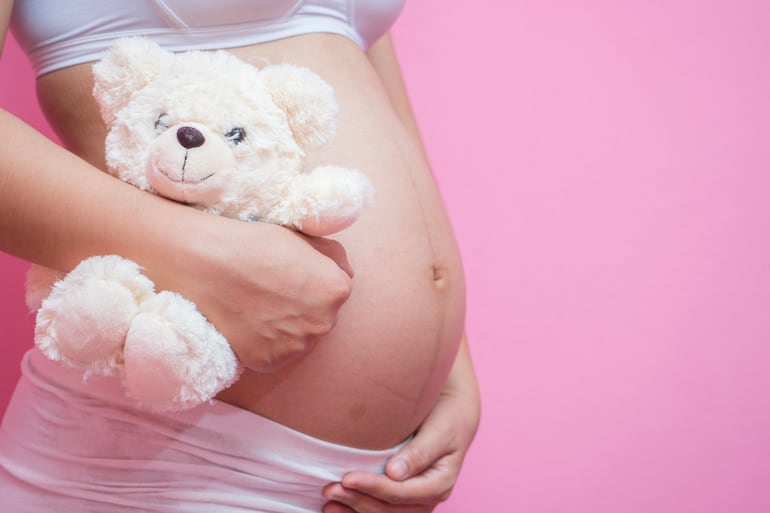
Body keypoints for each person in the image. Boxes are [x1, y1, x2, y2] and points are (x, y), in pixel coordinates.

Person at [0, 1, 481, 512]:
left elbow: (357, 75)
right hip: (156, 467)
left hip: (365, 480)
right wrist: (214, 258)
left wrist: (451, 374)